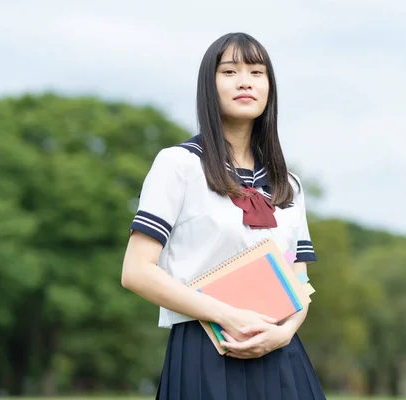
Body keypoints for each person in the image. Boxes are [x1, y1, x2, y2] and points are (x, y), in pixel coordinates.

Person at [121, 32, 326, 400]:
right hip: (205, 354)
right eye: (230, 71)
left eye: (256, 72)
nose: (245, 81)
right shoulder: (179, 165)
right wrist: (228, 316)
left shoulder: (289, 185)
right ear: (208, 85)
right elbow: (136, 271)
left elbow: (300, 282)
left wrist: (284, 333)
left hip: (281, 355)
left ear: (269, 88)